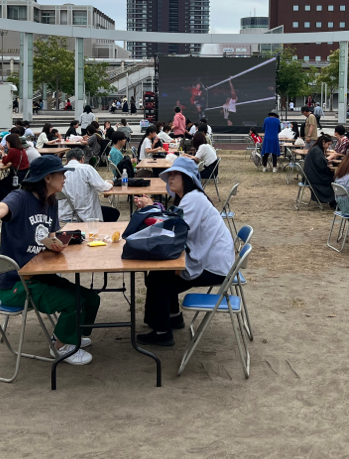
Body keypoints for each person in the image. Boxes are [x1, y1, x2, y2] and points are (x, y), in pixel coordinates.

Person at [0, 156, 96, 365]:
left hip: (41, 276)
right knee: (74, 302)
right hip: (17, 285)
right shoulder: (20, 197)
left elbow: (50, 234)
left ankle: (71, 334)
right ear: (48, 178)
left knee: (92, 299)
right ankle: (62, 347)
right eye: (62, 173)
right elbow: (1, 207)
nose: (65, 178)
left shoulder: (51, 202)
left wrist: (57, 242)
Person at [135, 157, 235, 346]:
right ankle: (173, 317)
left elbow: (175, 231)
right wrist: (155, 208)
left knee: (159, 280)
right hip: (212, 259)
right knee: (162, 273)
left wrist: (151, 209)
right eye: (169, 175)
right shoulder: (190, 198)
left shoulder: (194, 199)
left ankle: (162, 332)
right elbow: (174, 222)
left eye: (175, 174)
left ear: (187, 178)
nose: (170, 178)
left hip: (213, 266)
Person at [57, 147, 119, 222]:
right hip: (86, 216)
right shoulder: (86, 169)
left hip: (63, 215)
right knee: (113, 213)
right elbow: (103, 187)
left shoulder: (58, 172)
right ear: (82, 159)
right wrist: (110, 183)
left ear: (67, 160)